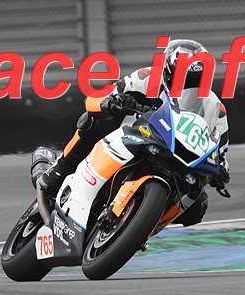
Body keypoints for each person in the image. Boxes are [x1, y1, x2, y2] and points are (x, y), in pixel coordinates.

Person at [34, 38, 230, 227]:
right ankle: (58, 171)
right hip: (134, 137)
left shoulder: (216, 109)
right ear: (169, 72)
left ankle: (142, 227)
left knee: (198, 205)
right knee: (95, 120)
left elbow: (220, 153)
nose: (189, 86)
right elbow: (95, 99)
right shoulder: (146, 77)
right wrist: (112, 102)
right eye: (184, 79)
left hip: (177, 158)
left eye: (197, 81)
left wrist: (221, 171)